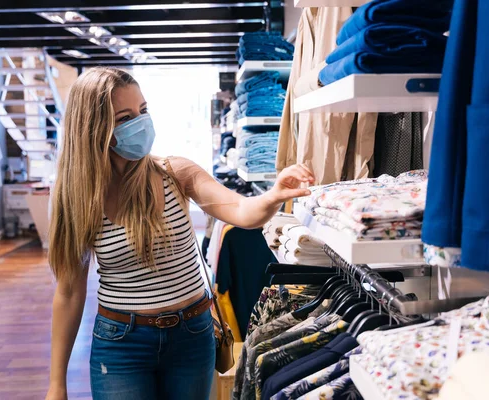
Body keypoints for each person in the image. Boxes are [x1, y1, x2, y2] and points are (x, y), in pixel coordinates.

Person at [45, 67, 314, 400]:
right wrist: (57, 384)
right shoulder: (77, 197)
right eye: (125, 117)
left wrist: (272, 196)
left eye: (143, 111)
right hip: (121, 343)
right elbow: (69, 292)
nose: (141, 123)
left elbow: (241, 212)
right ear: (94, 129)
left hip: (192, 334)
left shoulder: (175, 173)